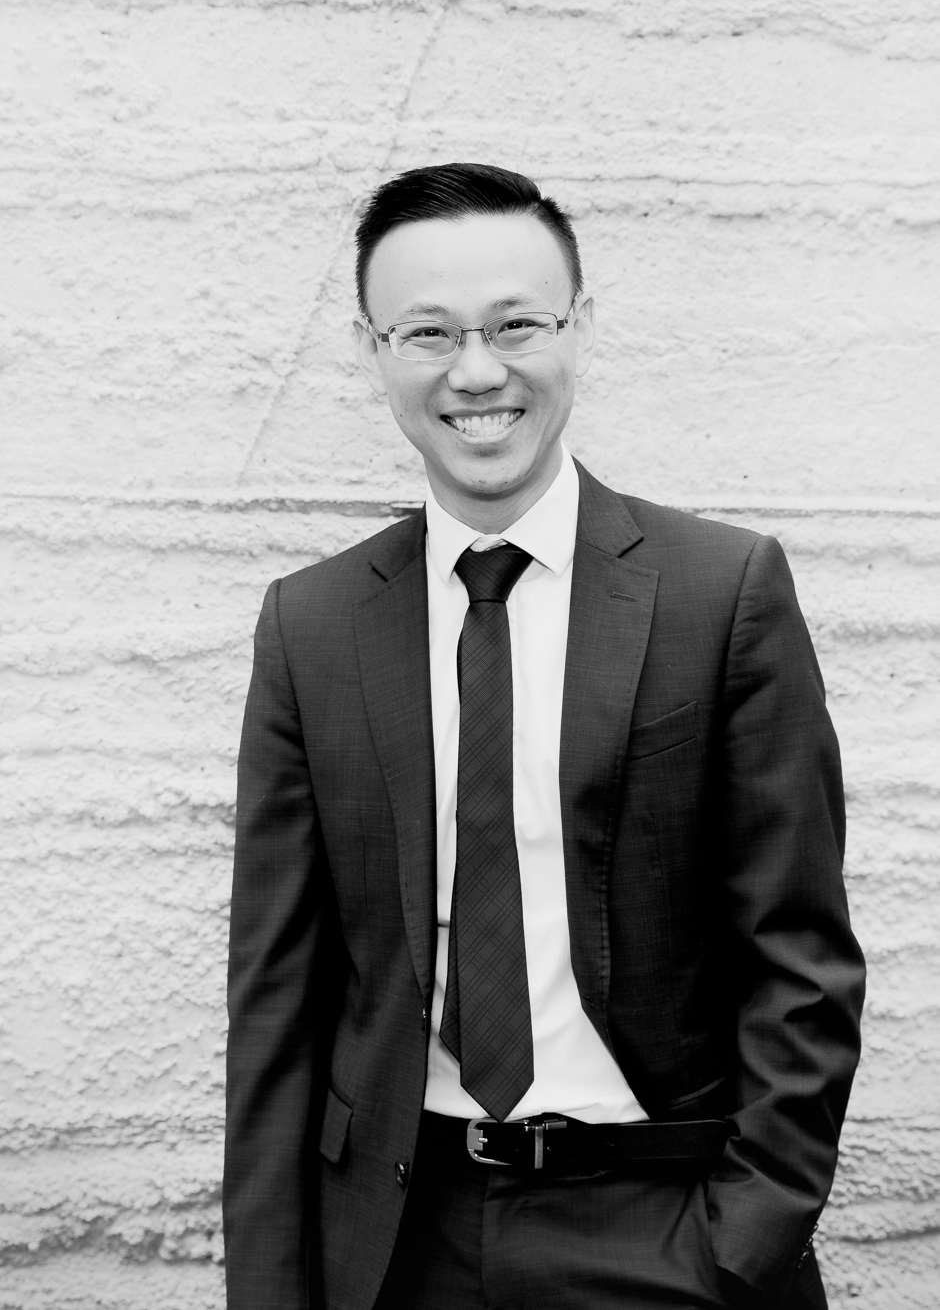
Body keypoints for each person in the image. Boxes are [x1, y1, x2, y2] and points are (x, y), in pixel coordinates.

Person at [223, 163, 865, 1310]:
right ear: (371, 349)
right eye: (428, 331)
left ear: (579, 326)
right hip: (395, 1240)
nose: (477, 371)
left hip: (661, 1224)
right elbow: (276, 997)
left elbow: (799, 956)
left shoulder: (720, 592)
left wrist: (738, 1242)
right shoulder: (311, 626)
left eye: (516, 324)